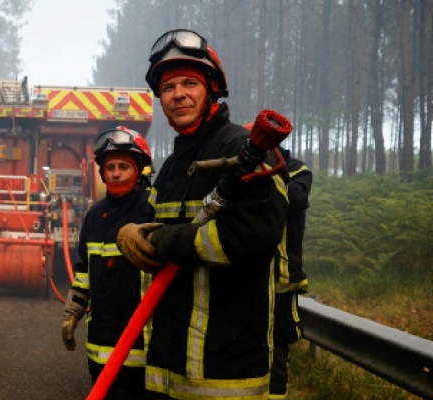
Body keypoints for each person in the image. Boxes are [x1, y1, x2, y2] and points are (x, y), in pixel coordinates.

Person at [116, 29, 289, 399]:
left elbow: (253, 236)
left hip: (225, 373)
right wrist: (133, 233)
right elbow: (155, 228)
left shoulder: (244, 149)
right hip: (168, 366)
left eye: (190, 83)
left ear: (212, 88)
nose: (178, 94)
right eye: (168, 87)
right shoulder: (173, 166)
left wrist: (163, 241)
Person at [61, 126, 155, 399]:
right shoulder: (94, 216)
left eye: (123, 166)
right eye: (110, 166)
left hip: (144, 340)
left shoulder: (152, 208)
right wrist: (72, 313)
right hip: (101, 338)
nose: (115, 173)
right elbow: (84, 273)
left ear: (140, 170)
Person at [269, 149, 312, 399]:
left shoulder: (297, 170)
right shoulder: (236, 169)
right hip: (241, 280)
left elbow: (296, 197)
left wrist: (266, 174)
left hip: (281, 281)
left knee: (278, 345)